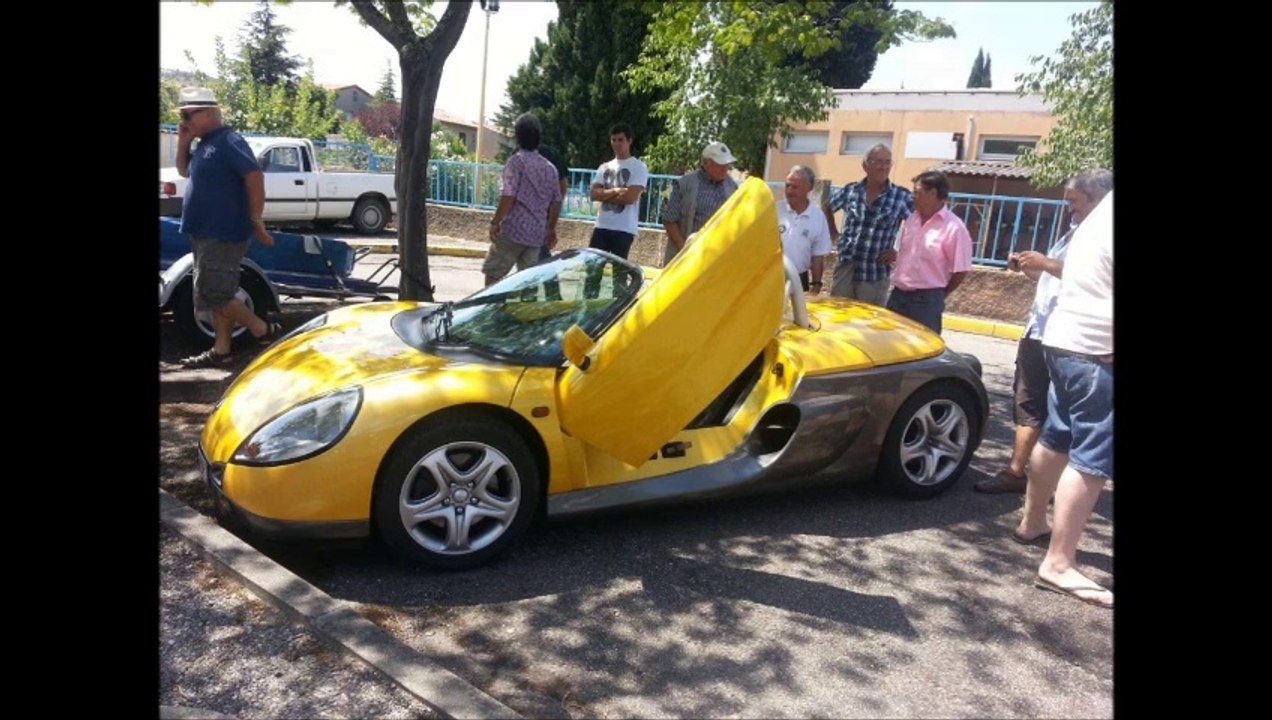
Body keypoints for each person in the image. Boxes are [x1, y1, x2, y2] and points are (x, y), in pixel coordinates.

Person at [975, 169, 1113, 494]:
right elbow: (1056, 282)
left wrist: (1047, 263)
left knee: (1058, 419)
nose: (1069, 208)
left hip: (1077, 341)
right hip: (1044, 333)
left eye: (1074, 201)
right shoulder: (1075, 232)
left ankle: (1034, 480)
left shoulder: (1099, 237)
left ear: (1098, 199)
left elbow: (1086, 278)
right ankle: (1028, 479)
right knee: (1033, 406)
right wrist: (1033, 269)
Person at [1015, 189, 1114, 610]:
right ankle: (1058, 563)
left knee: (1057, 435)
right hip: (1096, 349)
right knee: (1092, 454)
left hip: (1062, 340)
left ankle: (1032, 523)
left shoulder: (1101, 214)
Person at [174, 87, 280, 369]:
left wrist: (256, 219)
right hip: (204, 230)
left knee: (213, 294)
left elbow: (254, 177)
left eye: (188, 115)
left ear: (209, 113)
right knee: (222, 292)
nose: (184, 121)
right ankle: (222, 349)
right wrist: (183, 141)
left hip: (223, 232)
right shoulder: (205, 142)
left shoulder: (229, 140)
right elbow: (184, 171)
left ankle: (263, 330)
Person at [823, 144, 914, 305]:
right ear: (865, 165)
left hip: (874, 273)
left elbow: (918, 226)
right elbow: (827, 206)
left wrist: (899, 252)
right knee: (839, 318)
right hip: (846, 268)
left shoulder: (901, 196)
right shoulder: (851, 190)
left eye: (887, 162)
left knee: (867, 326)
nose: (883, 167)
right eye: (878, 161)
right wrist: (833, 233)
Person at [883, 171, 972, 334]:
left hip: (926, 302)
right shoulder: (912, 220)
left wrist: (938, 295)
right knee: (891, 349)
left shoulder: (954, 227)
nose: (912, 197)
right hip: (897, 296)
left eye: (917, 192)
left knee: (920, 351)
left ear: (932, 193)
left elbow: (961, 270)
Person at [484, 114, 562, 286]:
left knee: (493, 275)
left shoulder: (516, 162)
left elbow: (508, 196)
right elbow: (556, 201)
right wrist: (550, 228)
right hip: (536, 235)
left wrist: (495, 222)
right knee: (527, 284)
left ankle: (492, 311)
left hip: (513, 231)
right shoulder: (550, 169)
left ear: (517, 136)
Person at [661, 141, 739, 266]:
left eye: (727, 164)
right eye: (720, 164)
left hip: (716, 258)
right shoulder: (685, 184)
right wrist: (685, 250)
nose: (725, 168)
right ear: (706, 163)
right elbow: (669, 220)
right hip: (685, 258)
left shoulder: (732, 187)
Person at [587, 123, 648, 260]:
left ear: (629, 141)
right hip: (602, 225)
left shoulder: (638, 167)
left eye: (620, 140)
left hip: (624, 229)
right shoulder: (604, 167)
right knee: (592, 270)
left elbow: (630, 198)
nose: (616, 143)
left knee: (618, 272)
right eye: (613, 140)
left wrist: (605, 194)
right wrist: (617, 190)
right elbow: (593, 194)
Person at [776, 165, 832, 293]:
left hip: (799, 279)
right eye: (787, 186)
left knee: (794, 313)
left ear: (809, 188)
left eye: (795, 187)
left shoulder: (817, 217)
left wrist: (816, 285)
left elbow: (818, 255)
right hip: (771, 276)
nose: (789, 191)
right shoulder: (774, 210)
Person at [536, 142, 570, 262]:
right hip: (533, 221)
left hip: (536, 221)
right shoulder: (518, 156)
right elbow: (561, 190)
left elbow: (560, 191)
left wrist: (551, 226)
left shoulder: (550, 155)